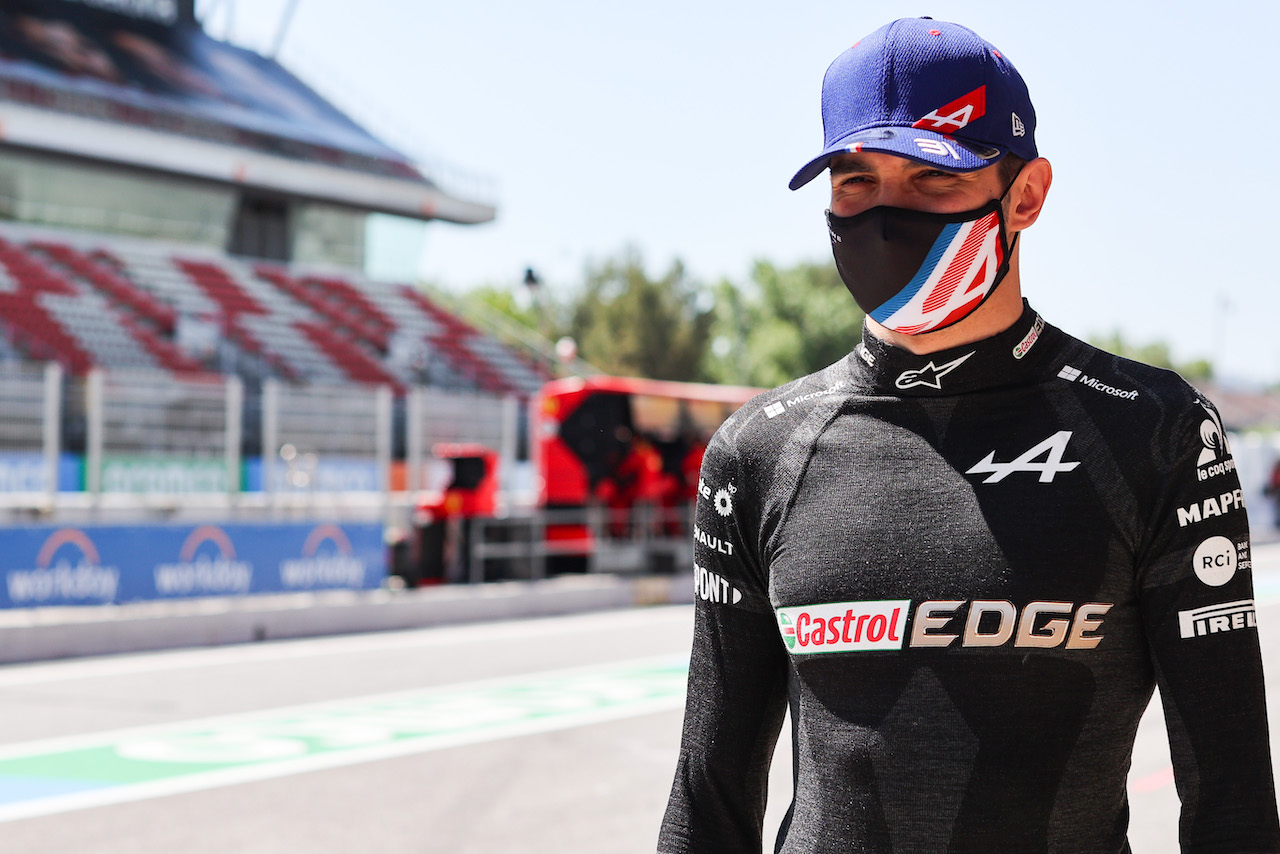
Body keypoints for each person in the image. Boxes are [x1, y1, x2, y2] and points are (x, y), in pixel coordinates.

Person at [658, 17, 1280, 854]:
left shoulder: (1152, 430)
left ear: (1025, 195)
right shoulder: (760, 452)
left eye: (931, 180)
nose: (884, 217)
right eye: (854, 182)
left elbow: (1233, 794)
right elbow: (708, 794)